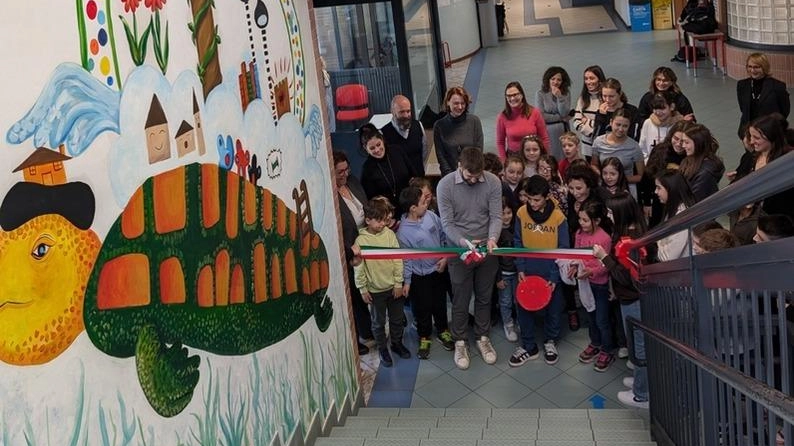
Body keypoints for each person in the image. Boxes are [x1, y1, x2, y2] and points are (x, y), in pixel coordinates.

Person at [437, 147, 502, 370]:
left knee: (485, 296)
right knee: (461, 298)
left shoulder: (493, 182)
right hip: (460, 249)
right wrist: (463, 242)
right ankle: (461, 341)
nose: (474, 180)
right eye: (469, 176)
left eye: (478, 176)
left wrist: (493, 238)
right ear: (459, 166)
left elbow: (496, 216)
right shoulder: (445, 186)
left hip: (487, 248)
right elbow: (447, 223)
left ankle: (483, 338)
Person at [595, 192, 650, 409]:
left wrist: (604, 258)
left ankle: (642, 393)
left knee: (640, 348)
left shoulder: (630, 241)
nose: (608, 215)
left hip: (633, 300)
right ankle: (640, 380)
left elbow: (627, 277)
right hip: (628, 298)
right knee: (637, 346)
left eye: (610, 211)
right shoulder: (632, 231)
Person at [509, 175, 570, 367]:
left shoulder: (559, 217)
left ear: (547, 197)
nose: (532, 204)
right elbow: (517, 242)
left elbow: (563, 248)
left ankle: (550, 341)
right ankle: (528, 346)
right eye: (529, 198)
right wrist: (520, 267)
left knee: (554, 308)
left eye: (537, 200)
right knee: (524, 307)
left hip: (551, 272)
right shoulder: (520, 213)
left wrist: (554, 276)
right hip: (527, 270)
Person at [397, 186, 452, 360]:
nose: (426, 203)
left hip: (438, 270)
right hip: (419, 277)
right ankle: (424, 336)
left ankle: (443, 330)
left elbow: (444, 236)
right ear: (413, 208)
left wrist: (445, 258)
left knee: (440, 303)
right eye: (422, 202)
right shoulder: (403, 232)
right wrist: (407, 281)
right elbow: (406, 260)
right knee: (422, 308)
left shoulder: (431, 216)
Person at [353, 197, 409, 367]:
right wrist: (362, 288)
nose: (382, 224)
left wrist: (398, 283)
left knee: (397, 319)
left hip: (393, 288)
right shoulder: (360, 241)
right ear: (368, 220)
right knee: (378, 323)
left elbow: (398, 259)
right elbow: (359, 267)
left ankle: (397, 343)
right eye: (378, 220)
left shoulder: (390, 235)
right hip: (375, 291)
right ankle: (383, 348)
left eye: (385, 220)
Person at [334, 151, 373, 355]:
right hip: (349, 252)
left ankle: (369, 330)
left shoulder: (353, 182)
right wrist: (349, 251)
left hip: (367, 243)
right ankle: (359, 334)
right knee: (356, 295)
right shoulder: (330, 194)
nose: (345, 174)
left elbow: (366, 208)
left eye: (347, 169)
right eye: (340, 172)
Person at [571, 199, 614, 372]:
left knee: (602, 319)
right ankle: (595, 343)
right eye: (580, 219)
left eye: (585, 220)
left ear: (596, 220)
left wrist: (591, 272)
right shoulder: (579, 234)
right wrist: (574, 267)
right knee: (590, 315)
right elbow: (575, 253)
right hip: (585, 284)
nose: (582, 223)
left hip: (600, 285)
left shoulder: (604, 238)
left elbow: (605, 265)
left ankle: (607, 349)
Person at [639, 120, 691, 227]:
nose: (679, 144)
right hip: (659, 200)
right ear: (671, 136)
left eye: (683, 141)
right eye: (676, 139)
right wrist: (647, 202)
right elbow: (648, 177)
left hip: (680, 203)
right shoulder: (660, 151)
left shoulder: (690, 155)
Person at [359, 123, 417, 216]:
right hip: (388, 215)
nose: (377, 150)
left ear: (382, 140)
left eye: (378, 144)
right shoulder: (367, 169)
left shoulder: (397, 151)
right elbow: (371, 200)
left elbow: (414, 175)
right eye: (372, 148)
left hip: (411, 206)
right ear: (365, 149)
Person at [746, 114, 794, 218]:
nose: (751, 141)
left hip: (779, 217)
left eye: (756, 138)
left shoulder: (787, 161)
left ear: (771, 137)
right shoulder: (756, 155)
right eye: (751, 136)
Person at [591, 108, 645, 198]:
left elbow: (640, 175)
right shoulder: (598, 142)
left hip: (627, 190)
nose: (620, 129)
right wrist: (604, 176)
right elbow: (593, 164)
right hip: (604, 188)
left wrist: (620, 179)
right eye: (618, 124)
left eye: (625, 126)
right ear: (611, 122)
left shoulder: (634, 146)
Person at [434, 87, 484, 177]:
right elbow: (441, 156)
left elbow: (478, 151)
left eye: (463, 103)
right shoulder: (439, 126)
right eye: (456, 103)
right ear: (448, 102)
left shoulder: (474, 121)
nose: (460, 107)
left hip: (472, 175)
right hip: (450, 176)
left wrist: (470, 174)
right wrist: (451, 177)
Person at [737, 53, 790, 136]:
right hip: (748, 134)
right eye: (750, 66)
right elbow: (743, 109)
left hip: (770, 134)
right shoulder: (742, 85)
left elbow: (784, 112)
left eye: (756, 67)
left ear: (764, 67)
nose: (752, 70)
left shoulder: (778, 86)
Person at [496, 81, 551, 160]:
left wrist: (545, 158)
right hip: (514, 158)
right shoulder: (502, 117)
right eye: (509, 96)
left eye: (515, 95)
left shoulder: (535, 113)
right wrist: (504, 162)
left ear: (522, 95)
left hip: (533, 156)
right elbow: (500, 142)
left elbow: (544, 138)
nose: (512, 98)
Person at [654, 170, 696, 261]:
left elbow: (668, 258)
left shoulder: (683, 217)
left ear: (671, 188)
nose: (655, 192)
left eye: (658, 188)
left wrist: (659, 241)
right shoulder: (673, 210)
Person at [381, 95, 427, 176]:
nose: (406, 115)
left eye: (408, 111)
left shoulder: (418, 125)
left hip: (419, 178)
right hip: (399, 183)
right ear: (392, 111)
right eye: (401, 112)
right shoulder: (383, 133)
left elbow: (424, 151)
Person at [678, 124, 725, 203]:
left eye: (687, 142)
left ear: (698, 143)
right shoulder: (691, 159)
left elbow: (693, 200)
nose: (683, 145)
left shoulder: (705, 173)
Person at [535, 66, 572, 159]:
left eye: (559, 80)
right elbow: (541, 116)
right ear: (548, 79)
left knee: (564, 157)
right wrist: (560, 118)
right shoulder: (540, 94)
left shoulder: (566, 93)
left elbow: (564, 113)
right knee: (550, 158)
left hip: (563, 131)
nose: (556, 82)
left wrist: (559, 97)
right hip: (547, 132)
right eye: (553, 79)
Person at [496, 196, 519, 342]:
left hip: (517, 272)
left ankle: (520, 321)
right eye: (502, 213)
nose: (506, 217)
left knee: (518, 300)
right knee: (505, 301)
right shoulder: (495, 234)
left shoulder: (516, 228)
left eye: (509, 212)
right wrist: (497, 278)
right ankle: (508, 324)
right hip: (503, 274)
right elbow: (493, 258)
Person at [638, 91, 684, 162]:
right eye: (655, 108)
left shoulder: (680, 124)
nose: (658, 112)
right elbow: (642, 148)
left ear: (672, 107)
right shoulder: (648, 123)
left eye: (662, 108)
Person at [573, 65, 607, 160]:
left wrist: (587, 121)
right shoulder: (582, 99)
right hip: (587, 148)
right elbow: (576, 122)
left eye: (592, 78)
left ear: (599, 80)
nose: (588, 82)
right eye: (586, 79)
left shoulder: (606, 99)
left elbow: (606, 124)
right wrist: (593, 131)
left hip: (604, 147)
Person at [593, 78, 642, 142]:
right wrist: (602, 117)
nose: (607, 100)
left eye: (611, 96)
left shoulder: (632, 111)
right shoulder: (601, 112)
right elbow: (596, 138)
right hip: (606, 149)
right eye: (604, 96)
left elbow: (635, 135)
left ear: (619, 94)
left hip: (626, 149)